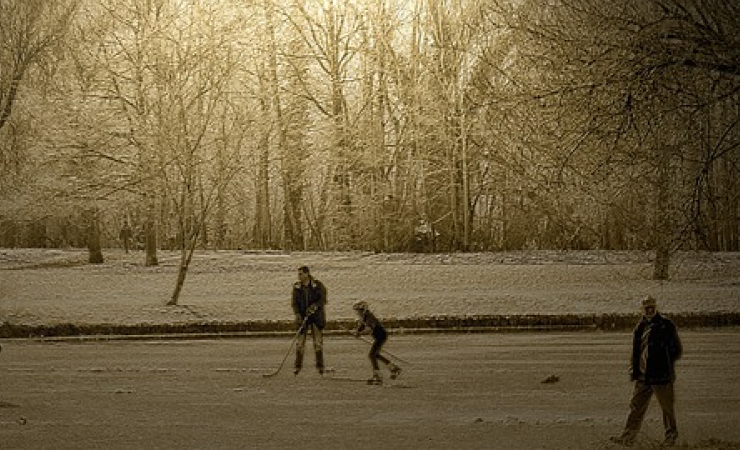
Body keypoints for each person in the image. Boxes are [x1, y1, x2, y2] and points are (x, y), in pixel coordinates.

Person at [611, 295, 683, 447]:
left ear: (656, 308)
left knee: (666, 407)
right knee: (636, 407)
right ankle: (628, 437)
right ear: (642, 310)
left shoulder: (666, 325)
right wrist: (635, 369)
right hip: (643, 376)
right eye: (646, 308)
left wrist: (663, 363)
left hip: (661, 376)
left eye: (652, 307)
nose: (649, 310)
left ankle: (671, 436)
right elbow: (636, 352)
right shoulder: (640, 327)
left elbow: (676, 349)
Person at [352, 301, 401, 385]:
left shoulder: (369, 316)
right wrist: (357, 332)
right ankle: (393, 368)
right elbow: (361, 327)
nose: (357, 313)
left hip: (381, 336)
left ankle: (378, 376)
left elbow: (370, 328)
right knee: (376, 355)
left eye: (358, 311)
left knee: (372, 355)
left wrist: (360, 333)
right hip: (379, 337)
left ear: (363, 310)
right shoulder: (364, 317)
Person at [292, 266, 327, 375]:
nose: (299, 276)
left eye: (301, 274)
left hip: (316, 318)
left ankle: (320, 366)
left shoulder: (318, 285)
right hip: (303, 318)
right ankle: (297, 366)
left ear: (307, 274)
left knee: (317, 343)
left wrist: (315, 306)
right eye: (299, 274)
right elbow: (294, 303)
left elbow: (323, 299)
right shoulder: (297, 287)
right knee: (300, 343)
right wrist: (297, 314)